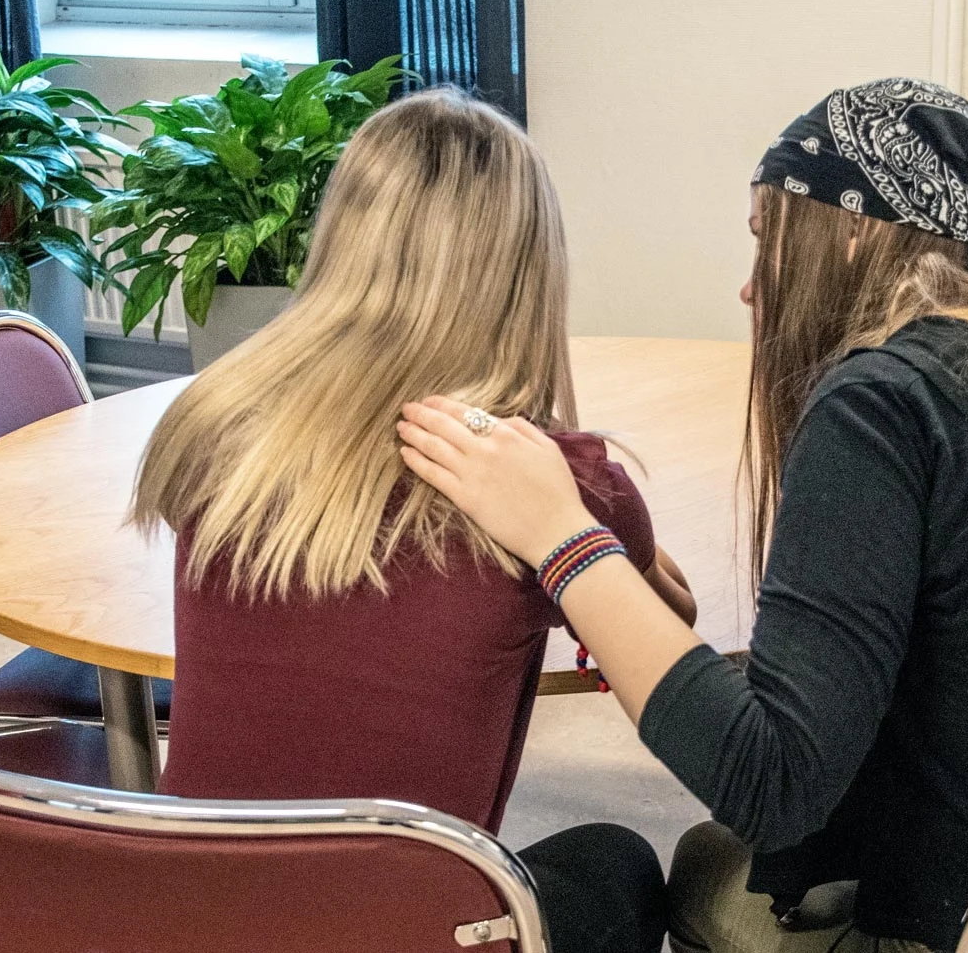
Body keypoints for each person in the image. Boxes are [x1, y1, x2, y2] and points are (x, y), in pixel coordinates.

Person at [395, 77, 968, 953]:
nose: (748, 287)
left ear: (847, 233)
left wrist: (561, 538)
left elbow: (770, 782)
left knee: (709, 876)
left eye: (769, 239)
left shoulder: (882, 406)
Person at [132, 88, 688, 953]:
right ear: (526, 274)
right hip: (406, 932)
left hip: (193, 915)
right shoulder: (564, 480)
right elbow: (672, 624)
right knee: (618, 860)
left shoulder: (214, 425)